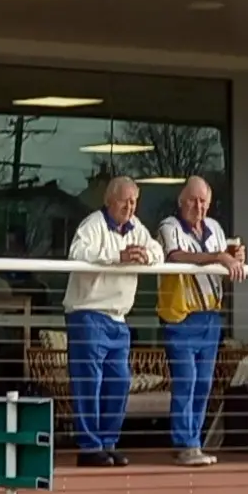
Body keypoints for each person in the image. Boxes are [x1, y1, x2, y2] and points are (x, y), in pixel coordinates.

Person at [63, 176, 163, 467]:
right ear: (110, 201)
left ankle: (108, 442)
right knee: (89, 384)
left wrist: (144, 255)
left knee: (119, 382)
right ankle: (89, 447)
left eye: (134, 202)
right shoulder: (92, 224)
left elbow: (157, 251)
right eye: (124, 201)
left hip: (118, 318)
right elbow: (78, 254)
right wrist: (117, 256)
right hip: (88, 313)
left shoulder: (136, 227)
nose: (130, 207)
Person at [156, 176, 245, 467]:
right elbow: (176, 256)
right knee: (186, 380)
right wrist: (220, 256)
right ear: (181, 202)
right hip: (180, 315)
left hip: (210, 316)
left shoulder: (216, 228)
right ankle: (185, 444)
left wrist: (233, 258)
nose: (199, 206)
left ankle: (194, 441)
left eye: (203, 201)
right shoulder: (169, 226)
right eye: (193, 200)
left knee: (204, 383)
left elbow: (222, 262)